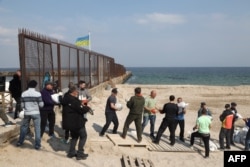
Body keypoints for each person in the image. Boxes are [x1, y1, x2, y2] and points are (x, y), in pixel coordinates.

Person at [61, 86, 90, 160]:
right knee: (83, 136)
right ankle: (80, 153)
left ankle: (71, 153)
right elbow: (81, 109)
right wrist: (88, 108)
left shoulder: (66, 98)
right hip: (76, 122)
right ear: (73, 92)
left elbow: (77, 106)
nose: (77, 93)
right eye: (76, 92)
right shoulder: (73, 100)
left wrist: (81, 104)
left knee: (74, 137)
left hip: (70, 123)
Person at [16, 80, 44, 150]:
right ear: (35, 86)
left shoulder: (23, 93)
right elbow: (41, 105)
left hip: (27, 113)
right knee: (37, 128)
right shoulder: (38, 94)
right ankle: (37, 144)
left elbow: (22, 106)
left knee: (24, 127)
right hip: (36, 113)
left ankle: (20, 142)